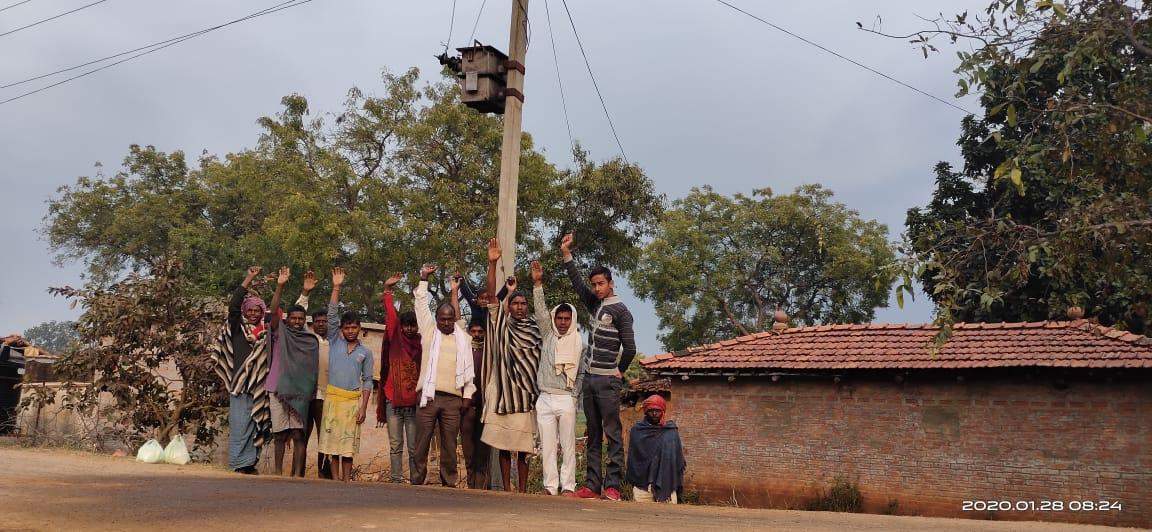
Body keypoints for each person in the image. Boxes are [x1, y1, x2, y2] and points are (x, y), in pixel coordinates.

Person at [561, 232, 638, 501]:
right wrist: (567, 254)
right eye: (594, 284)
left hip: (608, 381)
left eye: (601, 284)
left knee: (612, 433)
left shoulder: (621, 311)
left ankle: (613, 486)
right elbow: (577, 284)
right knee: (592, 433)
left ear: (611, 283)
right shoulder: (594, 304)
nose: (596, 288)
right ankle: (592, 486)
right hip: (590, 379)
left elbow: (630, 348)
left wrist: (620, 370)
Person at [482, 239, 542, 493]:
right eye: (514, 303)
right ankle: (507, 489)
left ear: (527, 307)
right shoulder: (501, 325)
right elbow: (491, 298)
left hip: (527, 397)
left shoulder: (535, 330)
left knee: (525, 449)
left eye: (522, 303)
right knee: (505, 446)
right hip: (505, 395)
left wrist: (538, 283)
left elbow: (536, 364)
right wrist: (492, 264)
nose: (518, 307)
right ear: (508, 306)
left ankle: (523, 491)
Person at [411, 264, 476, 487]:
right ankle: (417, 479)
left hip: (452, 399)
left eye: (450, 319)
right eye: (442, 318)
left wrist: (467, 396)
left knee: (449, 443)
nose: (446, 322)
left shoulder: (463, 339)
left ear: (454, 318)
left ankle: (449, 482)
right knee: (422, 442)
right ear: (437, 318)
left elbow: (469, 373)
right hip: (428, 396)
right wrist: (423, 278)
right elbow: (421, 305)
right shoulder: (429, 332)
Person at [210, 266, 272, 474]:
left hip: (259, 387)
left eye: (257, 311)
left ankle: (250, 463)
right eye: (250, 310)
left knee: (256, 424)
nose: (254, 314)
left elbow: (280, 314)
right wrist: (249, 278)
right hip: (239, 385)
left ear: (262, 312)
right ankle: (238, 464)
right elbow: (234, 305)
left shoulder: (266, 334)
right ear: (246, 312)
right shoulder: (238, 328)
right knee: (239, 426)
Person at [531, 260, 585, 496]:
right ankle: (550, 486)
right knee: (548, 446)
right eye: (559, 318)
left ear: (572, 320)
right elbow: (540, 311)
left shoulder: (578, 341)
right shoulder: (548, 333)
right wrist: (537, 283)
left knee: (569, 445)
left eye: (566, 319)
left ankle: (569, 486)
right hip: (544, 397)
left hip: (566, 399)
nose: (562, 322)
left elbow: (581, 372)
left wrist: (573, 397)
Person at [317, 267, 375, 482]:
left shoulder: (365, 352)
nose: (351, 330)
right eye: (347, 327)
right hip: (333, 398)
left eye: (354, 327)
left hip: (352, 402)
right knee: (333, 446)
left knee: (348, 447)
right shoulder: (334, 340)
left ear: (360, 328)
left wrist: (363, 408)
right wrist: (336, 287)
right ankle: (335, 483)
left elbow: (368, 381)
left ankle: (347, 482)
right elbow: (332, 314)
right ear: (341, 329)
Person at [265, 267, 320, 478]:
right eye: (294, 318)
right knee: (280, 434)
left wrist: (306, 293)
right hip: (277, 388)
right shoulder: (280, 332)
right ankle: (278, 473)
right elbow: (273, 311)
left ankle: (297, 475)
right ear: (287, 320)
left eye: (300, 319)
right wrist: (280, 285)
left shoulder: (309, 340)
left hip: (299, 393)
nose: (297, 321)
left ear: (304, 321)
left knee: (298, 434)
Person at [376, 272, 422, 484]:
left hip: (413, 403)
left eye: (413, 325)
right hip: (392, 401)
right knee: (396, 446)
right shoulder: (395, 338)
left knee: (414, 448)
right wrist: (388, 290)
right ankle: (396, 481)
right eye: (406, 325)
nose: (409, 329)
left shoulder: (421, 345)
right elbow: (391, 317)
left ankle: (414, 481)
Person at [457, 286, 493, 490]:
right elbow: (458, 321)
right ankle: (471, 486)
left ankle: (482, 488)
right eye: (474, 331)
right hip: (467, 407)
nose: (477, 334)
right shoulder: (464, 350)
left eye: (481, 331)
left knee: (483, 451)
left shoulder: (490, 350)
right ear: (469, 333)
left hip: (486, 407)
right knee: (468, 449)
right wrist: (456, 289)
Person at [626, 394, 685, 504]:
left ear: (662, 412)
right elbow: (634, 459)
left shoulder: (671, 431)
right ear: (645, 411)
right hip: (642, 486)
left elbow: (676, 459)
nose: (654, 413)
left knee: (667, 517)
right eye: (651, 410)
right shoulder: (637, 430)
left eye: (657, 410)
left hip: (667, 484)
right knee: (642, 518)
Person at [306, 306, 333, 479]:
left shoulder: (334, 342)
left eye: (324, 321)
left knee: (324, 437)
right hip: (306, 395)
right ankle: (297, 473)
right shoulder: (306, 339)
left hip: (325, 396)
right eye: (318, 321)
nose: (321, 324)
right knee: (301, 436)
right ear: (312, 324)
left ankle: (323, 474)